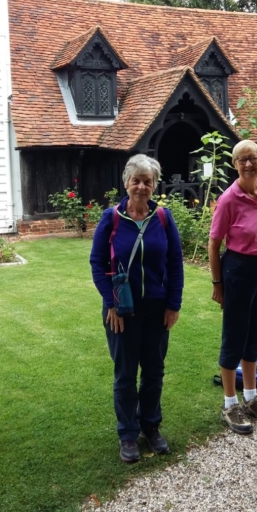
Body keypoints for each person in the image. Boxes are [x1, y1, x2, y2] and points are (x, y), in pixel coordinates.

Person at [90, 155, 184, 462]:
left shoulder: (164, 218)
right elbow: (97, 262)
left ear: (155, 185)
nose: (142, 187)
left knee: (154, 371)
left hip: (157, 310)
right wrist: (111, 304)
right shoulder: (112, 218)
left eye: (148, 181)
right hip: (123, 311)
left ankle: (151, 427)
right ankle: (128, 434)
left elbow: (174, 264)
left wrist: (173, 304)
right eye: (137, 180)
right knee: (126, 374)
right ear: (127, 183)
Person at [208, 140, 257, 435]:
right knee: (235, 334)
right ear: (235, 164)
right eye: (242, 159)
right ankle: (230, 403)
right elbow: (214, 243)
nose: (248, 164)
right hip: (238, 270)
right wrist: (217, 284)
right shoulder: (229, 199)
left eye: (252, 158)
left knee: (255, 332)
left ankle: (252, 397)